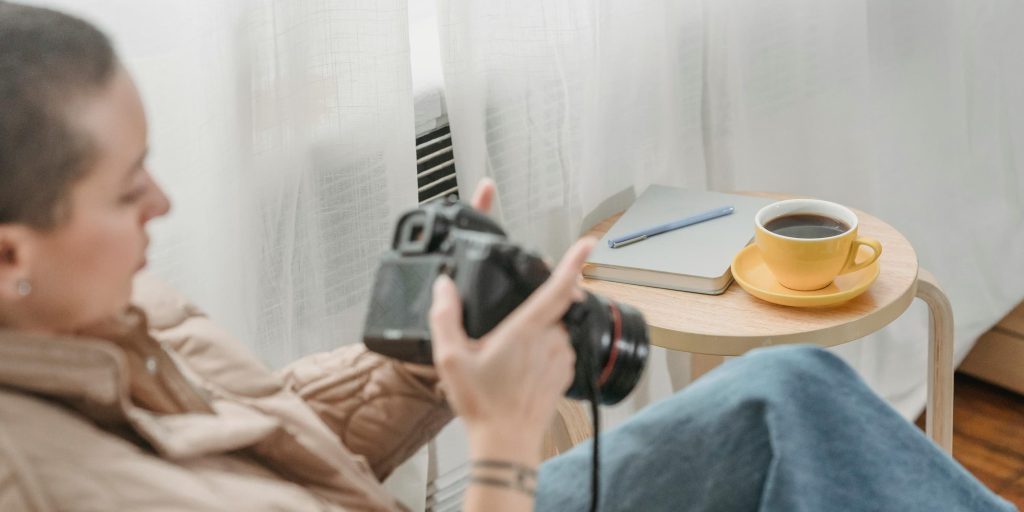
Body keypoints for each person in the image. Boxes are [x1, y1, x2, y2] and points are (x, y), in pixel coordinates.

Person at [0, 3, 1014, 511]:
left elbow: (262, 434)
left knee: (785, 388)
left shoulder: (99, 308)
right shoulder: (41, 475)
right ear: (10, 254)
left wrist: (428, 353)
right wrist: (497, 446)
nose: (163, 204)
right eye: (127, 188)